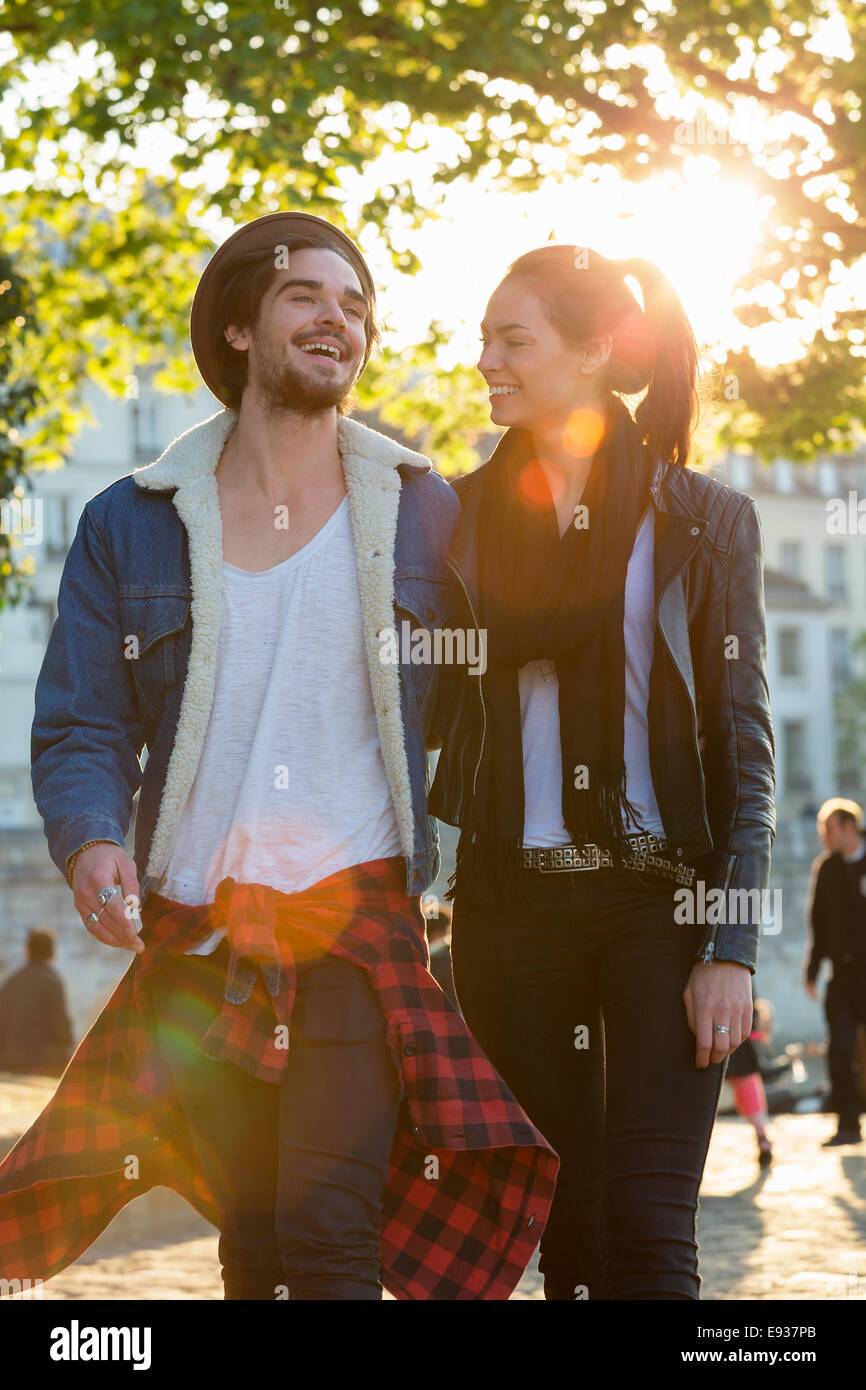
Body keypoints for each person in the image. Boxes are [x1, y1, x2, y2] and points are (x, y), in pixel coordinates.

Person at [1, 211, 558, 1302]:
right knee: (252, 1234)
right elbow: (82, 719)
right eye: (308, 295)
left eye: (354, 307)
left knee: (324, 1217)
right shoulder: (132, 520)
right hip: (198, 923)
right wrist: (91, 839)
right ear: (242, 325)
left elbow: (484, 688)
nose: (336, 320)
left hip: (354, 920)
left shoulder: (420, 509)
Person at [429, 244, 775, 1300]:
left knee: (647, 1226)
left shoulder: (700, 519)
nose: (482, 358)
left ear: (588, 353)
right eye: (481, 337)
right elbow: (422, 714)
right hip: (509, 911)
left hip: (659, 908)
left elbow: (740, 745)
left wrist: (731, 944)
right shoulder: (449, 520)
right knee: (567, 1235)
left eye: (510, 338)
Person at [804, 797, 866, 1147]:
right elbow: (818, 921)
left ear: (848, 826)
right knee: (839, 1052)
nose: (823, 837)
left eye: (827, 829)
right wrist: (812, 969)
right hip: (841, 977)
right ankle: (848, 1127)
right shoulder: (825, 868)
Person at [0, 927, 74, 1076]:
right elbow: (61, 1029)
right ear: (53, 954)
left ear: (27, 953)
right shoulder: (52, 981)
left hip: (8, 1060)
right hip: (40, 1061)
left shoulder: (11, 981)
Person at [724, 994, 774, 1167]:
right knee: (746, 1082)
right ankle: (762, 1136)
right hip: (738, 1029)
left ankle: (762, 1136)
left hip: (728, 1029)